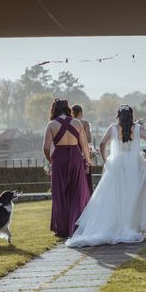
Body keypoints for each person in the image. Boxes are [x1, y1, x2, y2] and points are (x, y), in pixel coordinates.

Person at [65, 105, 146, 247]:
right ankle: (133, 225)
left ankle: (117, 224)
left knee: (115, 195)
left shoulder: (113, 128)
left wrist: (106, 160)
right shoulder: (137, 128)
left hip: (117, 163)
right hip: (135, 164)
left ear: (118, 116)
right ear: (131, 115)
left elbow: (101, 144)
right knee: (134, 194)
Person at [43, 98, 92, 238]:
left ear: (54, 109)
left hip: (58, 158)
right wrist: (88, 161)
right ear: (67, 108)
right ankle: (76, 226)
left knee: (60, 193)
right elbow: (84, 145)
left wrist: (50, 159)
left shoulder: (51, 125)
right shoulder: (76, 123)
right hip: (76, 157)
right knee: (77, 191)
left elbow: (46, 148)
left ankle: (63, 228)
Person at [71, 103, 94, 194]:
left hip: (72, 149)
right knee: (86, 176)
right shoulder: (84, 123)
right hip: (83, 151)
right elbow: (88, 139)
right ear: (81, 113)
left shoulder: (70, 122)